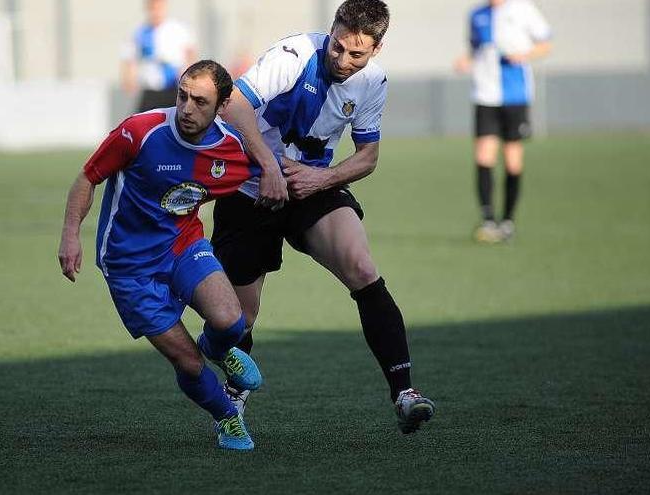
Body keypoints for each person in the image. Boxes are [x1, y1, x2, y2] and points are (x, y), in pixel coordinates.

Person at [213, 0, 436, 434]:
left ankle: (405, 393)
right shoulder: (294, 56)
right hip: (250, 189)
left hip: (312, 185)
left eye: (356, 54)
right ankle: (233, 400)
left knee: (362, 267)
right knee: (241, 314)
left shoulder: (372, 81)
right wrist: (271, 167)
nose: (343, 60)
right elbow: (234, 105)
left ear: (376, 49)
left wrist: (323, 179)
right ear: (331, 29)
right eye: (337, 48)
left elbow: (368, 156)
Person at [58, 60, 272, 451]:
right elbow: (88, 177)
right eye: (183, 96)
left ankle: (218, 349)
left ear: (222, 106)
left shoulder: (230, 148)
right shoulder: (139, 131)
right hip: (128, 266)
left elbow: (265, 172)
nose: (188, 108)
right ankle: (226, 418)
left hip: (182, 244)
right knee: (189, 363)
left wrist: (280, 171)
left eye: (201, 102)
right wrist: (71, 235)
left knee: (231, 320)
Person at [453, 0, 552, 243]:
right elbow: (477, 50)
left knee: (512, 158)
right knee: (483, 156)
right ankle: (488, 219)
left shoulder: (523, 9)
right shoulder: (477, 14)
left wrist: (525, 54)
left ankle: (508, 220)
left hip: (514, 96)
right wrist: (467, 61)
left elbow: (546, 44)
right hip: (485, 95)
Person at [120, 0, 197, 112]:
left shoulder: (178, 29)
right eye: (153, 8)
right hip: (151, 90)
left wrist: (189, 76)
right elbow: (130, 59)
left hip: (174, 88)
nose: (156, 12)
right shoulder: (140, 32)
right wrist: (130, 79)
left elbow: (190, 54)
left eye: (159, 7)